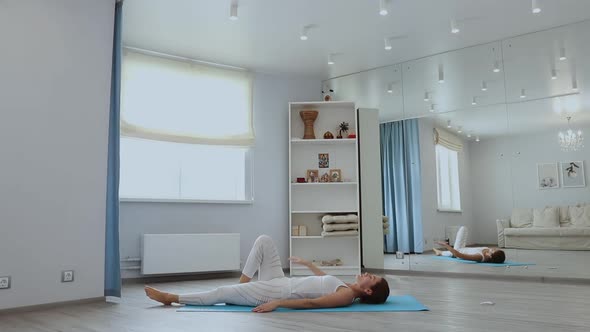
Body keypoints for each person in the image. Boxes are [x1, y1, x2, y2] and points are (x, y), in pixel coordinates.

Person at [145, 235, 390, 312]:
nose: (368, 273)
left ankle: (172, 297)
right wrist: (306, 262)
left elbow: (312, 302)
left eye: (372, 278)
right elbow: (322, 279)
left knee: (221, 293)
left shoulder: (346, 297)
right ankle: (242, 284)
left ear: (368, 290)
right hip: (280, 280)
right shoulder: (346, 286)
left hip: (275, 291)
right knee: (264, 241)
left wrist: (277, 304)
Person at [433, 226, 506, 263]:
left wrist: (446, 245)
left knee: (463, 228)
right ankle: (439, 252)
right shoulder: (489, 251)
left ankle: (440, 252)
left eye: (494, 251)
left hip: (459, 251)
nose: (493, 249)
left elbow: (459, 255)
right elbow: (494, 253)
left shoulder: (479, 257)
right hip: (462, 248)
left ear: (490, 255)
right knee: (449, 253)